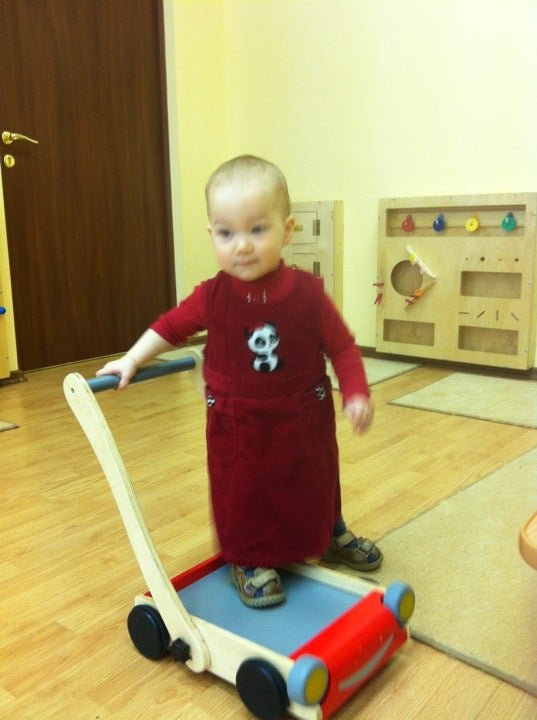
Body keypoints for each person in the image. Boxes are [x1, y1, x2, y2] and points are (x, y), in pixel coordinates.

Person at [96, 154, 382, 609]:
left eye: (258, 229)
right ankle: (247, 559)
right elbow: (170, 327)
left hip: (304, 415)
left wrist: (356, 392)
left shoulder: (308, 294)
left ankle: (330, 532)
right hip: (238, 423)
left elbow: (342, 347)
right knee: (242, 491)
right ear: (211, 234)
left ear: (287, 230)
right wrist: (131, 359)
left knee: (317, 476)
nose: (242, 246)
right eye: (227, 233)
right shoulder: (212, 296)